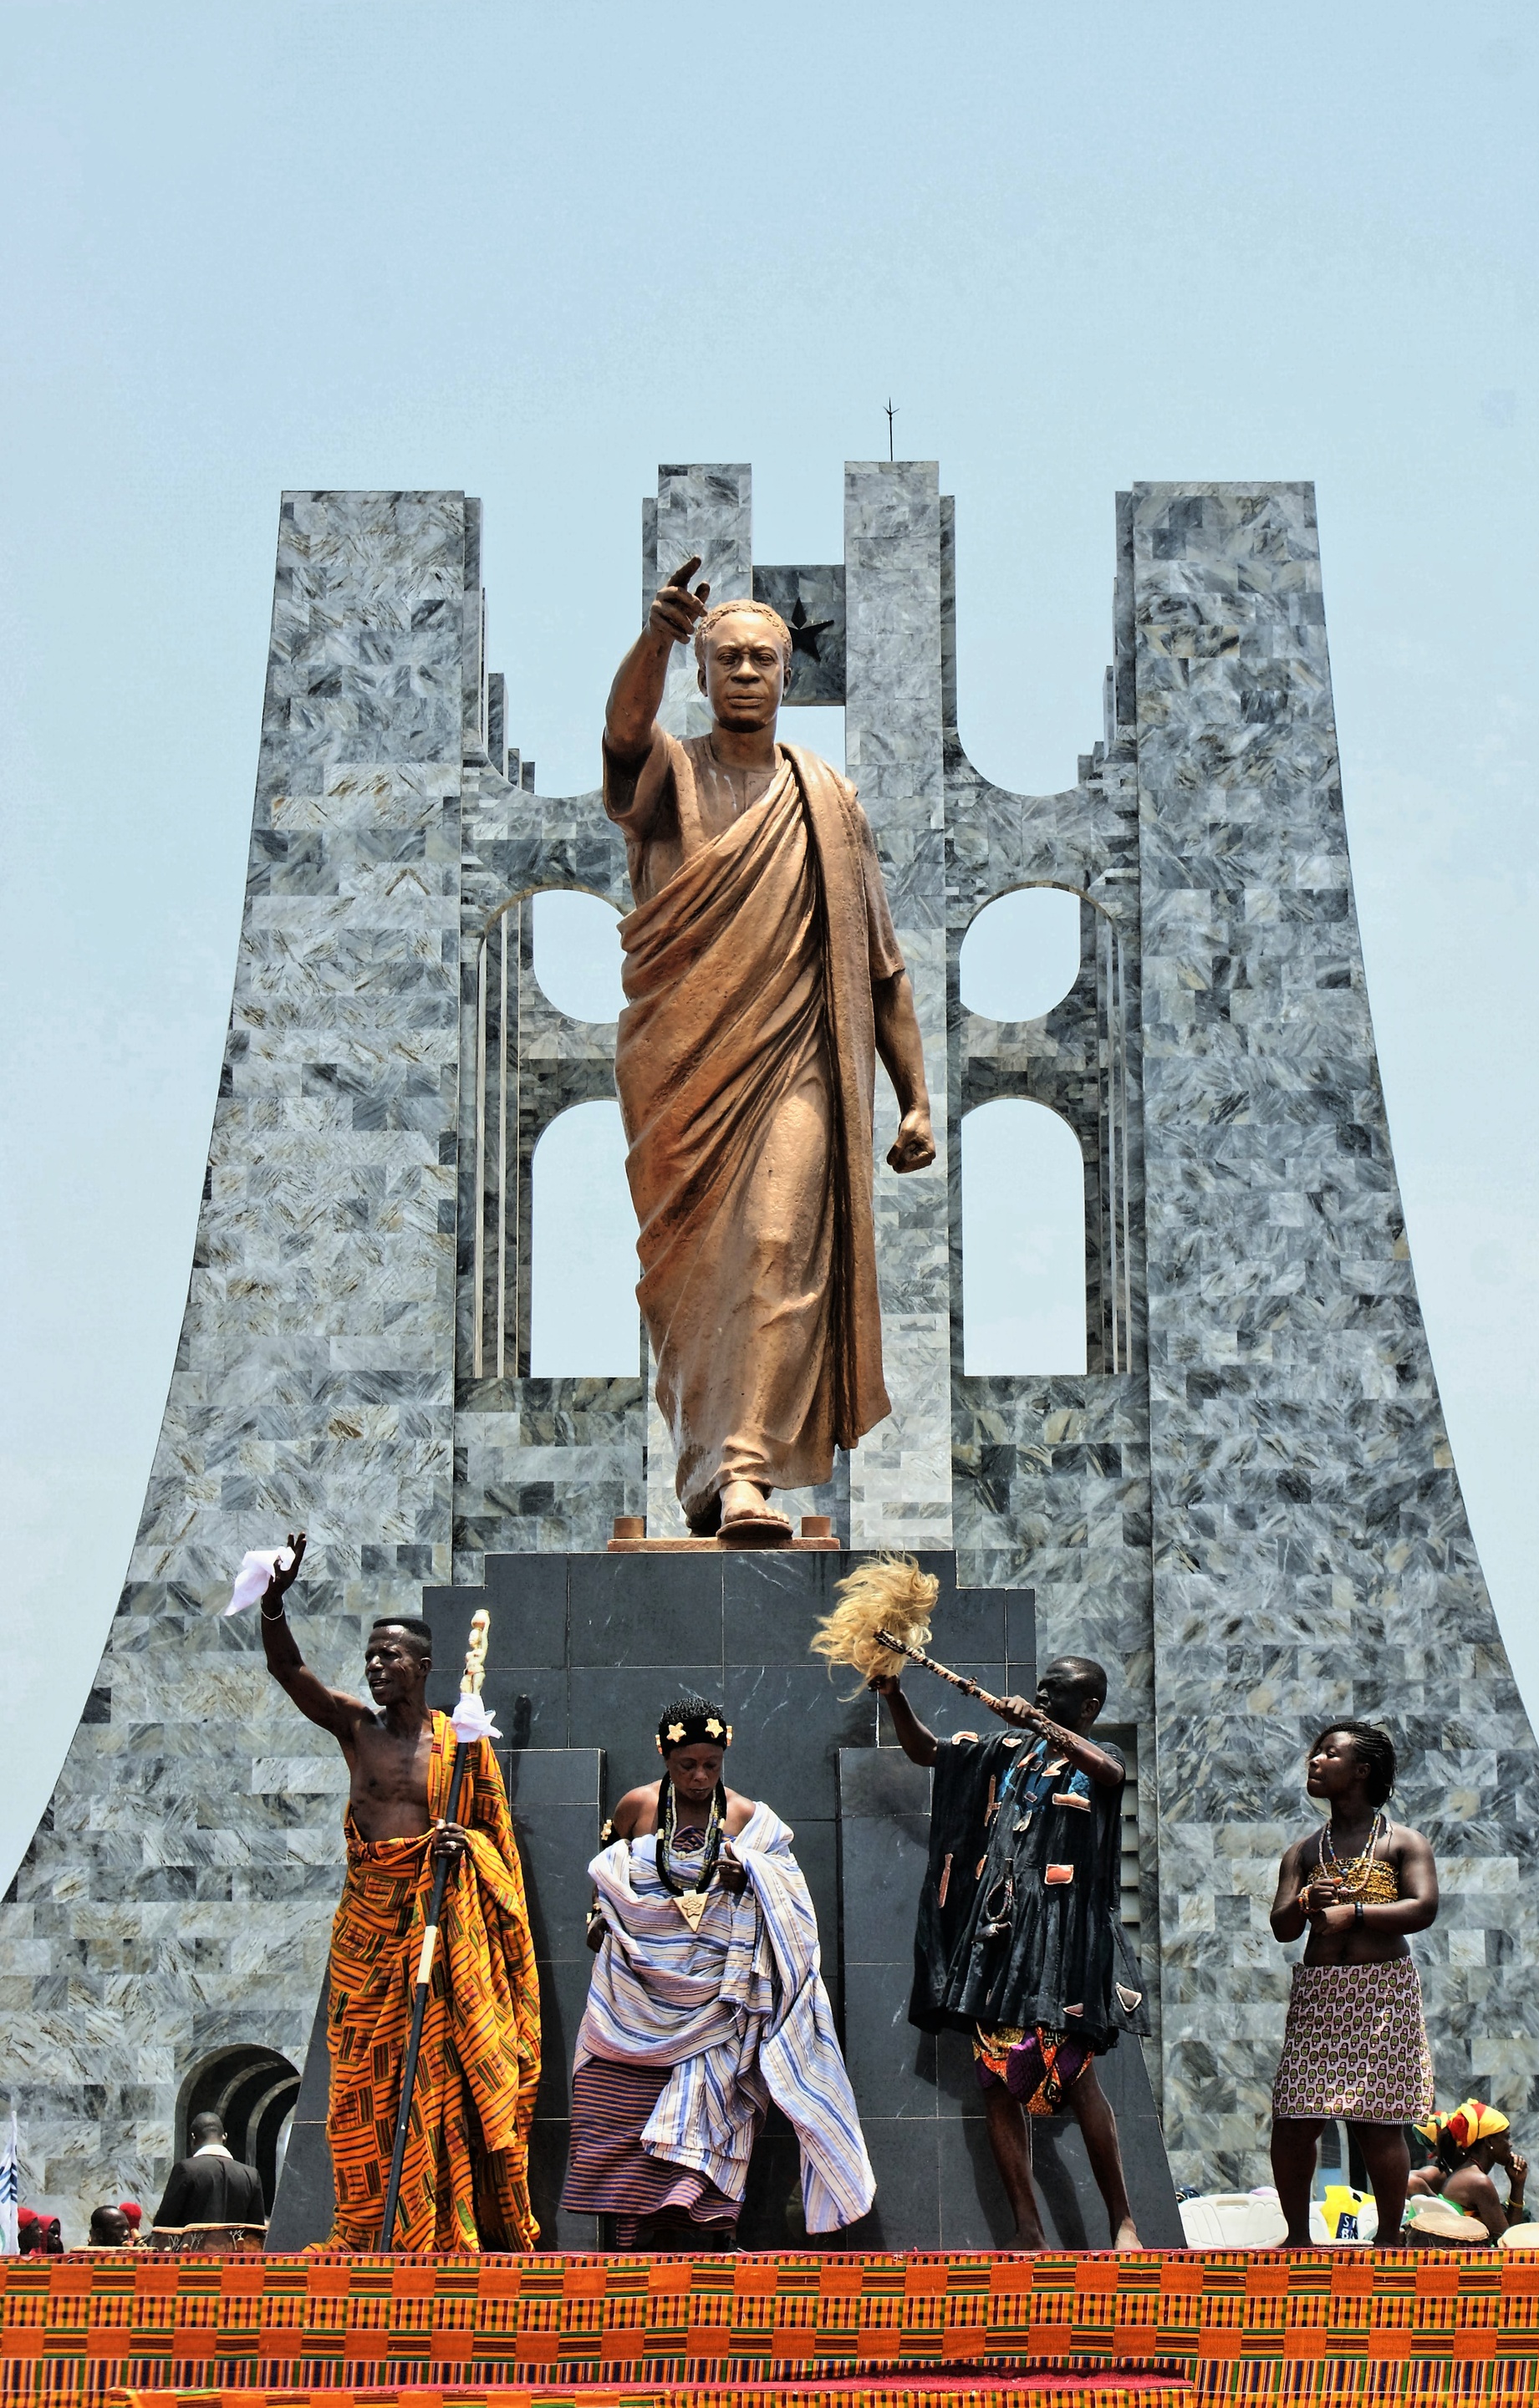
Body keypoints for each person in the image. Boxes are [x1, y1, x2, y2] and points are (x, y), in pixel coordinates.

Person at [602, 561, 935, 1540]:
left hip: (796, 1062)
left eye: (764, 659)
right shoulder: (671, 772)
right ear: (701, 676)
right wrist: (655, 640)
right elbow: (623, 734)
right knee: (697, 1271)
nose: (746, 672)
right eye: (726, 658)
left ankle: (745, 1469)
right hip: (682, 1070)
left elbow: (880, 968)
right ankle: (706, 1465)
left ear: (788, 676)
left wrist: (914, 1098)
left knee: (780, 1244)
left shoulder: (829, 802)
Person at [257, 1536, 541, 2250]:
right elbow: (290, 1670)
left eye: (391, 1658)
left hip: (442, 1925)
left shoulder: (461, 1740)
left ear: (424, 1666)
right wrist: (272, 1603)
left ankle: (441, 2224)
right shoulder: (356, 1728)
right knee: (360, 2086)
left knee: (441, 2075)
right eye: (371, 1659)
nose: (378, 1668)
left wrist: (462, 1845)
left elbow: (494, 1837)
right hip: (370, 1930)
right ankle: (363, 2224)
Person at [562, 1698, 874, 2248]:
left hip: (716, 1998)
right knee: (611, 2104)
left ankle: (707, 2241)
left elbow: (790, 1900)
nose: (700, 1776)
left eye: (711, 1764)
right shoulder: (636, 1806)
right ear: (664, 1755)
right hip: (630, 1991)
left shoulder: (748, 1819)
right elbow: (603, 1882)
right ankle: (627, 2244)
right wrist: (600, 1920)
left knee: (716, 2110)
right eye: (687, 1765)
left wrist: (749, 1879)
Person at [874, 1650, 1146, 2252]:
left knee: (1078, 2078)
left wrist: (1040, 1724)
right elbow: (929, 1753)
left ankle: (1123, 2220)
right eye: (1040, 1690)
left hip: (1066, 1946)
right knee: (996, 2083)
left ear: (1089, 1706)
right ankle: (1027, 2226)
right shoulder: (1006, 1750)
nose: (1043, 1698)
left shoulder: (1102, 1759)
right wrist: (893, 1694)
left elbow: (1108, 1773)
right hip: (999, 1940)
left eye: (1057, 1693)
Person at [1268, 1722, 1438, 2248]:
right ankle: (1298, 2238)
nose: (1315, 1761)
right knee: (1294, 2118)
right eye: (1315, 1753)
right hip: (1320, 1994)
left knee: (1377, 2122)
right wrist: (1306, 1902)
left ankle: (1389, 2238)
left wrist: (1356, 1913)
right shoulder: (1303, 1852)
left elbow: (1423, 1907)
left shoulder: (1403, 1842)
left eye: (1329, 1754)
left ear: (1361, 1771)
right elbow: (1281, 1928)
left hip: (1381, 1992)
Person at [150, 2113, 266, 2245]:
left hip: (192, 2263)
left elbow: (163, 2227)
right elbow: (256, 2232)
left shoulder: (186, 2170)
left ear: (193, 2138)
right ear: (225, 2138)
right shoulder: (251, 2175)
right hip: (234, 2263)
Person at [1432, 2100, 1529, 2238]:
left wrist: (1517, 2183)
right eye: (1506, 2138)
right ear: (1489, 2141)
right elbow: (1507, 2241)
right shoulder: (1479, 2182)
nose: (1510, 2145)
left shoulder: (1466, 2173)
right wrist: (1518, 2187)